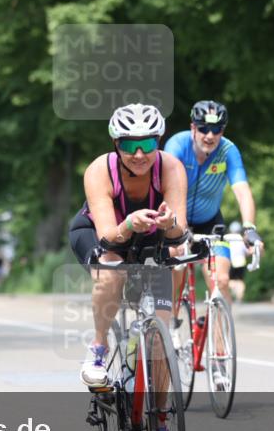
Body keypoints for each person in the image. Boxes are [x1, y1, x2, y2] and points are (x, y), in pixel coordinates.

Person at [68, 103, 188, 391]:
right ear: (116, 144)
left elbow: (178, 235)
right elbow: (109, 236)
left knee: (161, 338)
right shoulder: (100, 170)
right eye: (129, 145)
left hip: (149, 233)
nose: (138, 154)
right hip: (101, 231)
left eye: (146, 144)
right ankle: (98, 349)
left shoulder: (171, 167)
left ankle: (159, 420)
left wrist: (170, 223)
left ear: (158, 141)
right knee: (111, 270)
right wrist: (129, 225)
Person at [163, 100, 264, 309]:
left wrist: (250, 229)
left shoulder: (228, 151)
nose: (210, 135)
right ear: (193, 127)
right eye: (203, 128)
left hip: (209, 222)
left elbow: (242, 190)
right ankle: (169, 328)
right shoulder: (177, 145)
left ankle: (220, 339)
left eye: (216, 129)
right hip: (175, 220)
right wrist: (179, 229)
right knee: (174, 277)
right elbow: (169, 188)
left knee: (221, 280)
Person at [227, 220, 248, 302]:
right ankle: (239, 297)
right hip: (241, 262)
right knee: (240, 281)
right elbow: (246, 252)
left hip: (232, 262)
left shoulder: (228, 238)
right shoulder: (242, 239)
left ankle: (234, 292)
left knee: (230, 281)